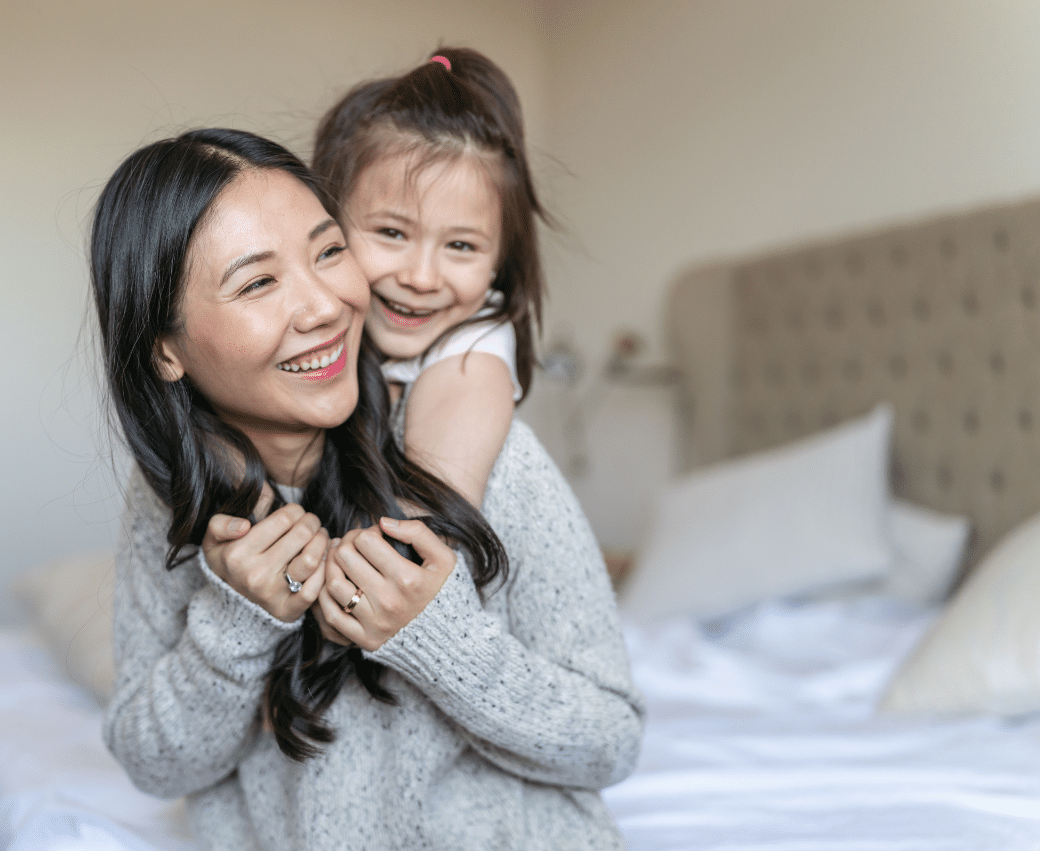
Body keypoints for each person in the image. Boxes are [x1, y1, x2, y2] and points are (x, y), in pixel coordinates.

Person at [91, 127, 643, 850]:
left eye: (328, 252)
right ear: (164, 347)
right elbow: (155, 764)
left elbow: (610, 742)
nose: (324, 305)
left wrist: (438, 638)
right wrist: (236, 623)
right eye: (259, 282)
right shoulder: (171, 495)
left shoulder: (486, 454)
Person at [311, 47, 545, 507]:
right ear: (328, 222)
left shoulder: (474, 354)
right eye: (392, 233)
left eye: (460, 246)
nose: (421, 278)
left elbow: (421, 536)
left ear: (500, 260)